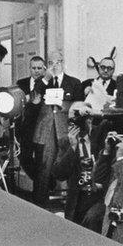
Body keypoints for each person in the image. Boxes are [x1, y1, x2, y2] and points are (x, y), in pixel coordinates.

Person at [30, 51, 83, 206]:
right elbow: (34, 97)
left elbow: (79, 105)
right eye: (51, 62)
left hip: (66, 127)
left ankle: (70, 203)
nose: (55, 66)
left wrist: (63, 104)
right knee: (44, 167)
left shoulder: (74, 82)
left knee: (69, 162)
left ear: (63, 62)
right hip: (46, 129)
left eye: (58, 62)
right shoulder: (43, 81)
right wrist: (46, 78)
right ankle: (40, 205)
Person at [51, 102, 104, 230]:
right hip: (77, 198)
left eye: (78, 118)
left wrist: (93, 114)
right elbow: (58, 174)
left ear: (89, 118)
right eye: (71, 120)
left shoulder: (101, 137)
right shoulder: (66, 142)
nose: (74, 123)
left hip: (99, 197)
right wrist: (72, 148)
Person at [16, 55, 48, 181]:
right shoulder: (21, 83)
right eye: (34, 68)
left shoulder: (49, 84)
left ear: (44, 69)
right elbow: (18, 104)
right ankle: (43, 182)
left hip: (42, 126)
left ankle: (40, 188)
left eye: (39, 68)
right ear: (30, 68)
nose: (36, 71)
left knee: (42, 160)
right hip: (26, 128)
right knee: (24, 158)